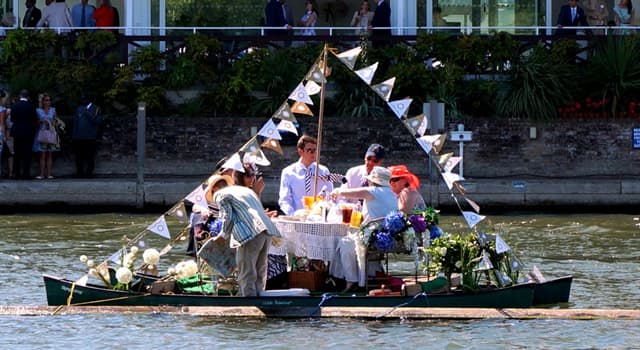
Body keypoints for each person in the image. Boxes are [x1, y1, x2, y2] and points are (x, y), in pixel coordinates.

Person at [210, 177, 282, 297]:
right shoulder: (246, 191)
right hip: (266, 231)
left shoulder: (220, 194)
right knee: (260, 270)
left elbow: (228, 216)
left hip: (250, 233)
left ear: (215, 189)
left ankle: (249, 302)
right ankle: (260, 298)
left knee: (247, 272)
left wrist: (222, 235)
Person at [330, 167, 397, 291]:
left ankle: (351, 280)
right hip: (388, 236)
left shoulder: (373, 191)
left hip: (372, 236)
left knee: (344, 243)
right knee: (349, 241)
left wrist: (337, 191)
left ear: (373, 181)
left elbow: (353, 192)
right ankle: (362, 276)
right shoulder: (393, 193)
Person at [278, 134, 334, 216]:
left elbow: (331, 195)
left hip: (318, 219)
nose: (314, 153)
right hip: (297, 220)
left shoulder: (324, 171)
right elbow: (284, 200)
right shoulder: (288, 173)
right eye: (310, 150)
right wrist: (293, 215)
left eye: (315, 150)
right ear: (300, 151)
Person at [72, 94, 102, 178]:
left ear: (89, 99)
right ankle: (79, 173)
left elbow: (98, 121)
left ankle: (89, 173)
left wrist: (87, 112)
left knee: (90, 156)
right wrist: (74, 135)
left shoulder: (96, 108)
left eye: (84, 99)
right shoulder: (79, 108)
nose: (83, 100)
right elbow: (76, 123)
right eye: (82, 99)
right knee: (79, 157)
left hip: (90, 137)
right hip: (79, 137)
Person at [10, 90, 37, 180]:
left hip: (17, 132)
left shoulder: (14, 106)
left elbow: (12, 119)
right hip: (28, 132)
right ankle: (26, 174)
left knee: (17, 153)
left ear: (20, 96)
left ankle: (16, 173)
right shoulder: (31, 106)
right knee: (27, 154)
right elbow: (34, 120)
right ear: (28, 96)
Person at [33, 94, 60, 179]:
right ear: (43, 101)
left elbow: (57, 121)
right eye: (46, 100)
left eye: (49, 100)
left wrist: (52, 122)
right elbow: (34, 123)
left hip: (51, 133)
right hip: (42, 133)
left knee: (50, 154)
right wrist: (41, 120)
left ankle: (49, 174)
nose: (48, 102)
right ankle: (41, 174)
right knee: (42, 154)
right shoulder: (38, 110)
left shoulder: (53, 110)